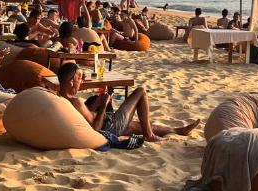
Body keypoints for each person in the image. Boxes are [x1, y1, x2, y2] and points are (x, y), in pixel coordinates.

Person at [56, 62, 199, 147]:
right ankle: (149, 135)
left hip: (108, 123)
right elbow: (95, 128)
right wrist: (104, 104)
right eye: (79, 78)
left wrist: (96, 104)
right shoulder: (76, 101)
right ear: (70, 81)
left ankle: (178, 130)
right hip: (109, 127)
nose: (81, 82)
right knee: (141, 91)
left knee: (139, 126)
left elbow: (85, 119)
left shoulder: (60, 98)